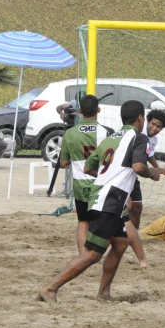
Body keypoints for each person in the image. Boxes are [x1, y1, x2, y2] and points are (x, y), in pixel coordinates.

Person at [38, 100, 162, 303]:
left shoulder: (111, 138)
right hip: (110, 199)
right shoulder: (139, 138)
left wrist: (110, 174)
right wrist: (153, 173)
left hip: (104, 196)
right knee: (93, 254)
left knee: (121, 243)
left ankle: (103, 293)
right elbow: (139, 167)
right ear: (140, 118)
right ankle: (50, 288)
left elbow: (88, 168)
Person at [57, 95, 113, 253]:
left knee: (83, 221)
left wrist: (76, 160)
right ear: (99, 110)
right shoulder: (106, 132)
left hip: (81, 184)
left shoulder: (70, 133)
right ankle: (99, 251)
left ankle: (83, 255)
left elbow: (63, 163)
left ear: (80, 111)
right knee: (102, 220)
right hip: (101, 182)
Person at [125, 109, 165, 268]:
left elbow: (149, 154)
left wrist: (158, 168)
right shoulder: (136, 134)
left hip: (132, 176)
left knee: (137, 207)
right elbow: (138, 165)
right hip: (124, 174)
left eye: (159, 127)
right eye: (153, 124)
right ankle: (116, 237)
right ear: (146, 121)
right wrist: (152, 174)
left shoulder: (152, 139)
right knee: (126, 206)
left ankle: (133, 237)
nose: (155, 128)